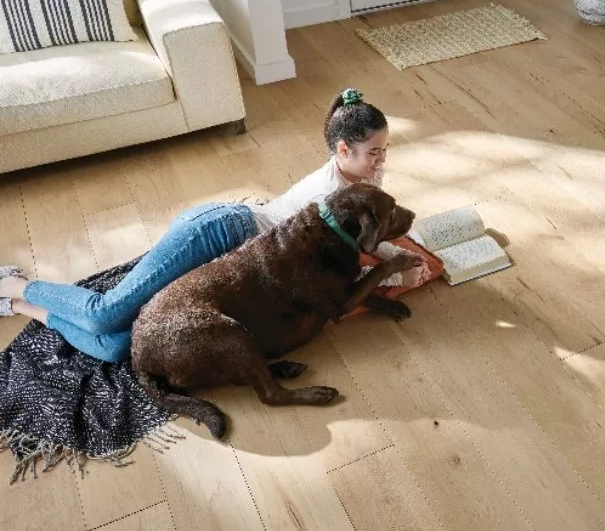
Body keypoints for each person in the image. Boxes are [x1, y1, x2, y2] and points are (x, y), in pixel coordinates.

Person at [0, 88, 430, 363]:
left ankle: (20, 307)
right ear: (342, 150)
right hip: (220, 233)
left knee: (117, 348)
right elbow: (353, 256)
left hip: (237, 261)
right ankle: (14, 285)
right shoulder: (330, 198)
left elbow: (372, 237)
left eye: (384, 150)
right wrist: (397, 261)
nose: (382, 161)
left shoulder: (366, 182)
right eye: (375, 152)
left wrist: (399, 257)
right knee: (106, 314)